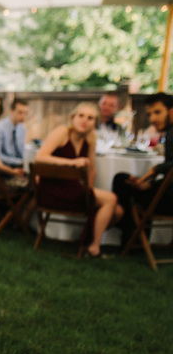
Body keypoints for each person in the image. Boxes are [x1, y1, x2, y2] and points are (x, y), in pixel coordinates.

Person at [35, 102, 123, 258]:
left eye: (90, 118)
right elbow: (40, 158)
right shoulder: (62, 132)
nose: (85, 120)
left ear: (94, 123)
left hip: (74, 189)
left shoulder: (90, 139)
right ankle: (94, 248)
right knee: (111, 199)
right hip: (53, 190)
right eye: (81, 116)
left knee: (118, 212)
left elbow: (91, 169)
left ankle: (87, 240)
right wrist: (71, 163)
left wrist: (88, 193)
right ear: (72, 118)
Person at [112, 92, 173, 243]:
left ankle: (131, 239)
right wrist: (150, 184)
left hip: (168, 201)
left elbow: (168, 167)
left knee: (121, 181)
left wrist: (146, 179)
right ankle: (137, 238)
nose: (152, 119)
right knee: (130, 182)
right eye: (150, 114)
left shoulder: (172, 133)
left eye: (157, 112)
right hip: (167, 192)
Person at [0, 98, 29, 168]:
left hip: (20, 166)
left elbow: (22, 151)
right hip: (4, 167)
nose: (23, 116)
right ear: (11, 111)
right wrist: (20, 162)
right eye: (20, 112)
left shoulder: (22, 129)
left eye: (25, 113)